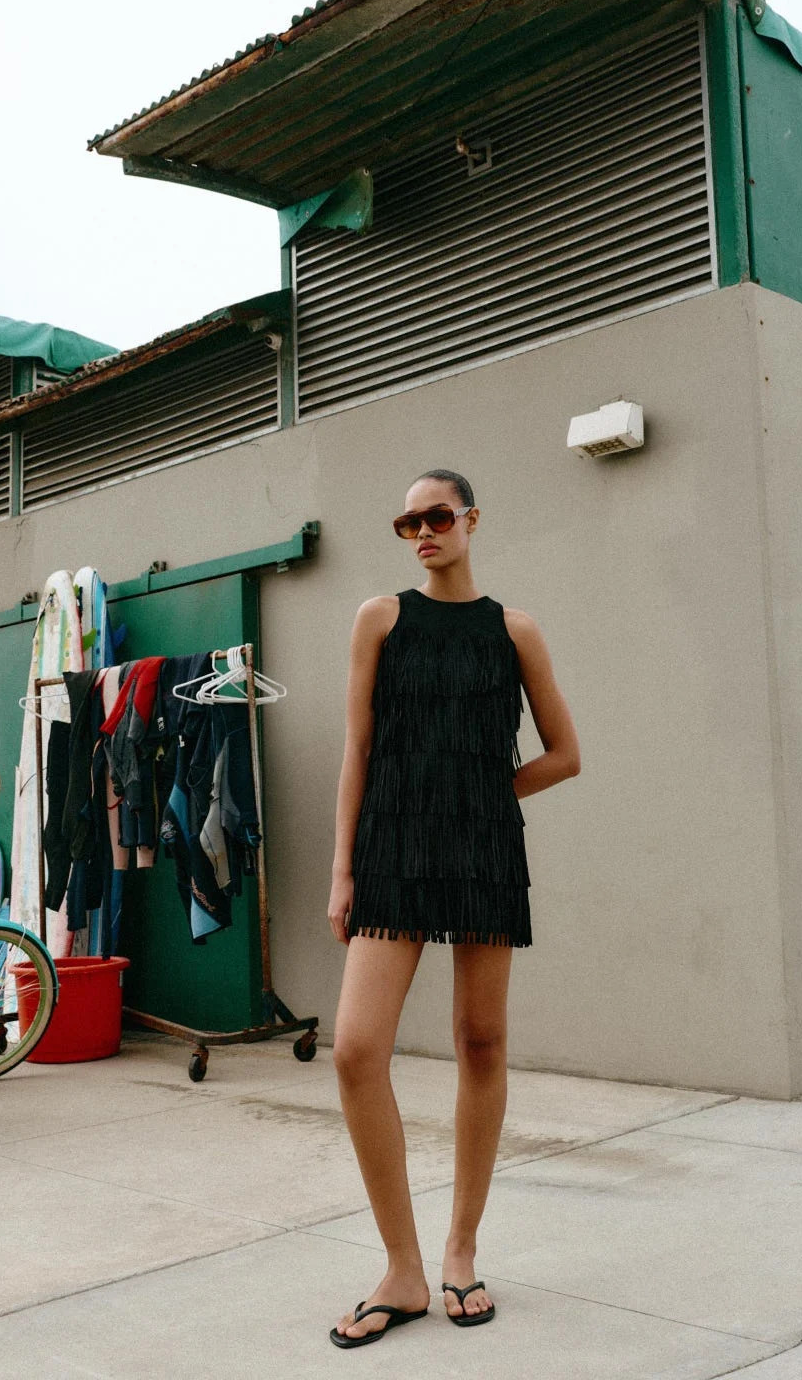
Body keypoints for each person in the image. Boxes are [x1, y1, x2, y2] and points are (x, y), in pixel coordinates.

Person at [327, 468, 581, 1349]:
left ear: (472, 519)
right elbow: (358, 749)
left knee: (481, 1041)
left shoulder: (515, 631)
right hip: (391, 852)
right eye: (408, 521)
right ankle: (400, 1269)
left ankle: (461, 1252)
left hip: (480, 854)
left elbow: (565, 754)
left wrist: (483, 793)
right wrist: (341, 871)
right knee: (357, 1050)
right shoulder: (379, 619)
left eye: (438, 516)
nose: (423, 531)